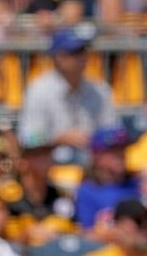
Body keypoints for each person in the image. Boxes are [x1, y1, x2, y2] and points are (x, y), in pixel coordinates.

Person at [18, 28, 117, 160]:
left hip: (92, 171)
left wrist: (97, 140)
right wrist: (58, 139)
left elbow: (114, 132)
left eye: (83, 51)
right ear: (57, 57)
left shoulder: (100, 90)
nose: (81, 58)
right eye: (74, 52)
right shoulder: (38, 90)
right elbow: (27, 137)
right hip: (51, 169)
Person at [75, 126, 140, 237]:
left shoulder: (137, 183)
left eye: (122, 150)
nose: (120, 156)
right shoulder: (87, 191)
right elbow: (87, 234)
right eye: (114, 151)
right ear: (97, 156)